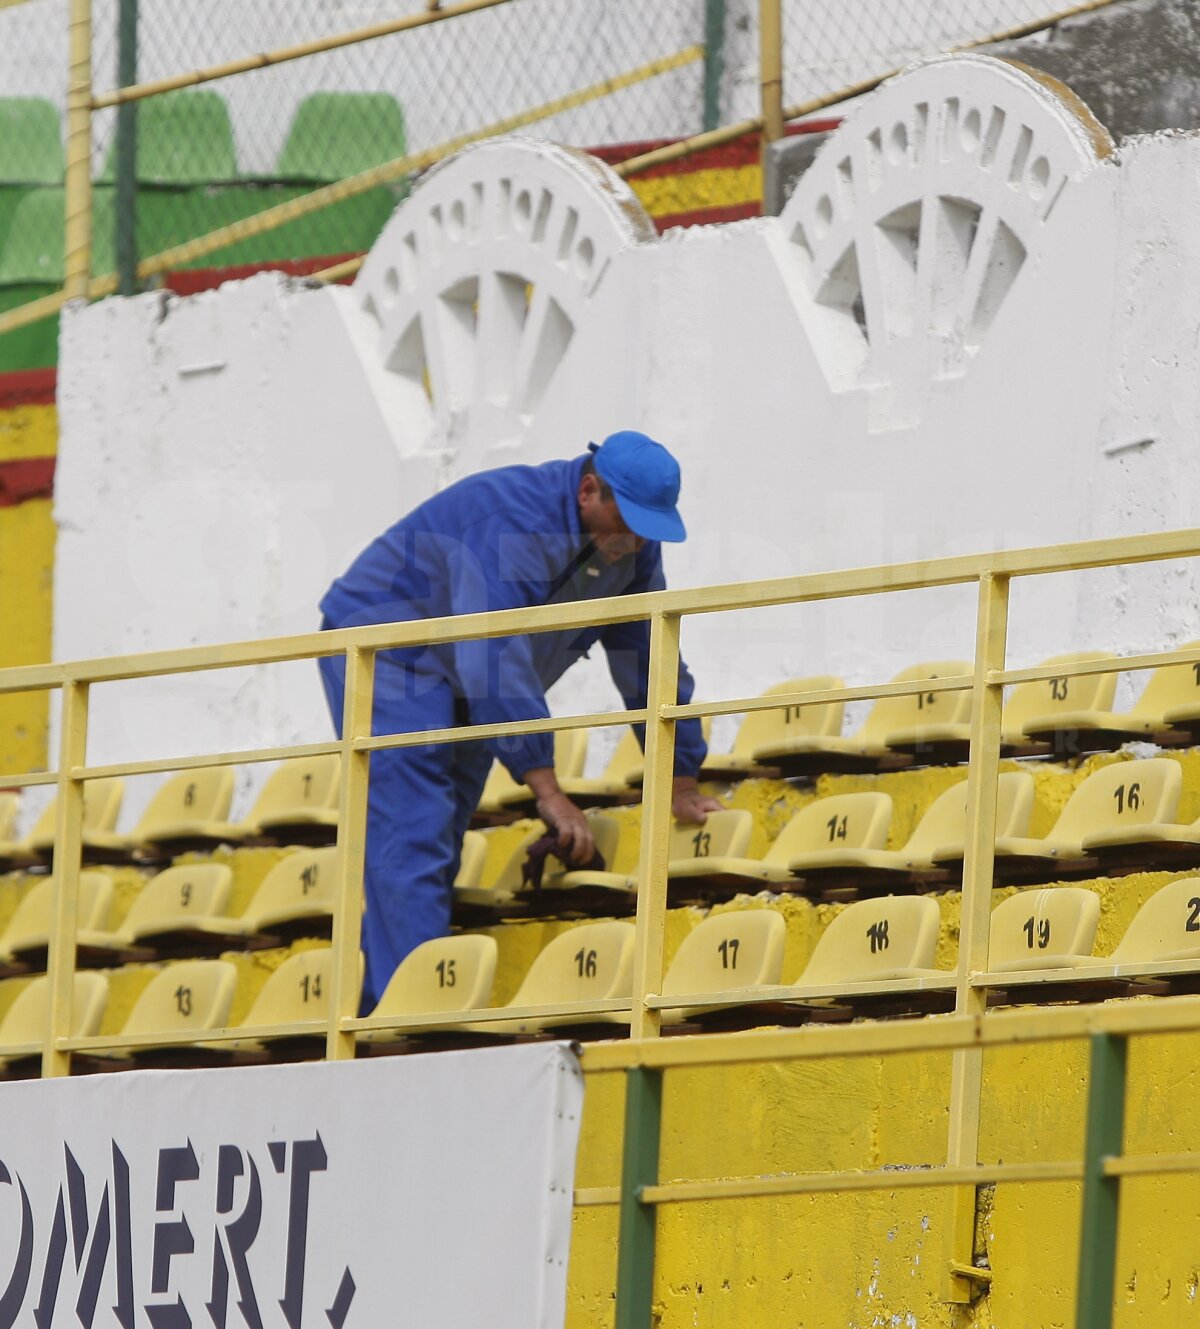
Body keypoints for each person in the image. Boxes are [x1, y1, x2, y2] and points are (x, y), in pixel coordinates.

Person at [318, 430, 722, 1010]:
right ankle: (410, 1013)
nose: (636, 543)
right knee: (413, 821)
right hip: (386, 645)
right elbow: (494, 654)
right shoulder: (507, 518)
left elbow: (649, 655)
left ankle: (379, 1005)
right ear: (588, 490)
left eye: (648, 529)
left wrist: (682, 776)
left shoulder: (632, 546)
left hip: (462, 663)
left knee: (443, 823)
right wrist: (547, 789)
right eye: (628, 522)